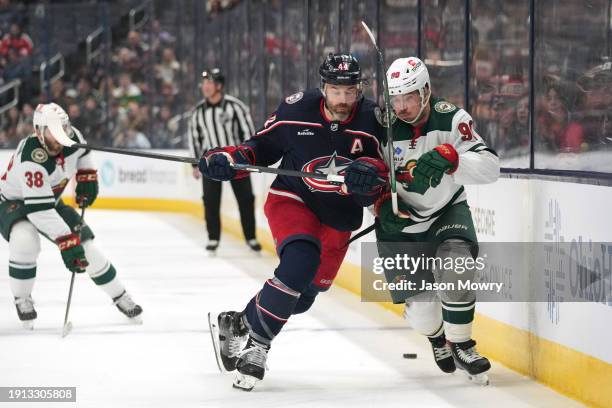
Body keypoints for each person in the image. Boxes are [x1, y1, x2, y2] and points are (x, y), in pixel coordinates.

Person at [199, 53, 388, 390]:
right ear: (323, 87)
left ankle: (240, 321)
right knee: (300, 262)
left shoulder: (374, 119)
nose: (342, 100)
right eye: (335, 91)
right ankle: (257, 348)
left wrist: (372, 180)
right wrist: (229, 157)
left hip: (339, 217)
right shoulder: (295, 109)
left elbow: (383, 169)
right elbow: (259, 147)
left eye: (349, 92)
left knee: (302, 298)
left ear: (359, 89)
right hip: (293, 199)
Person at [374, 57, 499, 384]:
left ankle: (461, 344)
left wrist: (453, 157)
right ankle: (436, 336)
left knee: (457, 266)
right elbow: (368, 176)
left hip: (446, 211)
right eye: (395, 98)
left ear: (426, 90)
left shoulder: (453, 118)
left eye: (409, 97)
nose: (401, 106)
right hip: (400, 227)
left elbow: (490, 168)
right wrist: (380, 204)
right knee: (422, 315)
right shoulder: (381, 126)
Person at [0, 103, 143, 329]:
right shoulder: (31, 158)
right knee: (25, 240)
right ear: (38, 131)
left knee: (88, 248)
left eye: (63, 130)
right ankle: (22, 297)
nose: (60, 138)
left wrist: (87, 175)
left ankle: (120, 295)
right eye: (53, 133)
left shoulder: (72, 137)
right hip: (13, 203)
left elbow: (83, 152)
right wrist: (66, 241)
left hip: (50, 201)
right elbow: (39, 212)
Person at [188, 68, 261, 254]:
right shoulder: (198, 111)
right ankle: (213, 238)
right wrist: (196, 164)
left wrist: (248, 159)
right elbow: (195, 138)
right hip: (211, 163)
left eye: (209, 83)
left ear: (219, 86)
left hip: (236, 162)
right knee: (210, 201)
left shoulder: (235, 106)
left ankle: (251, 237)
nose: (205, 87)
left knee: (245, 200)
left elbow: (248, 133)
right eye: (203, 83)